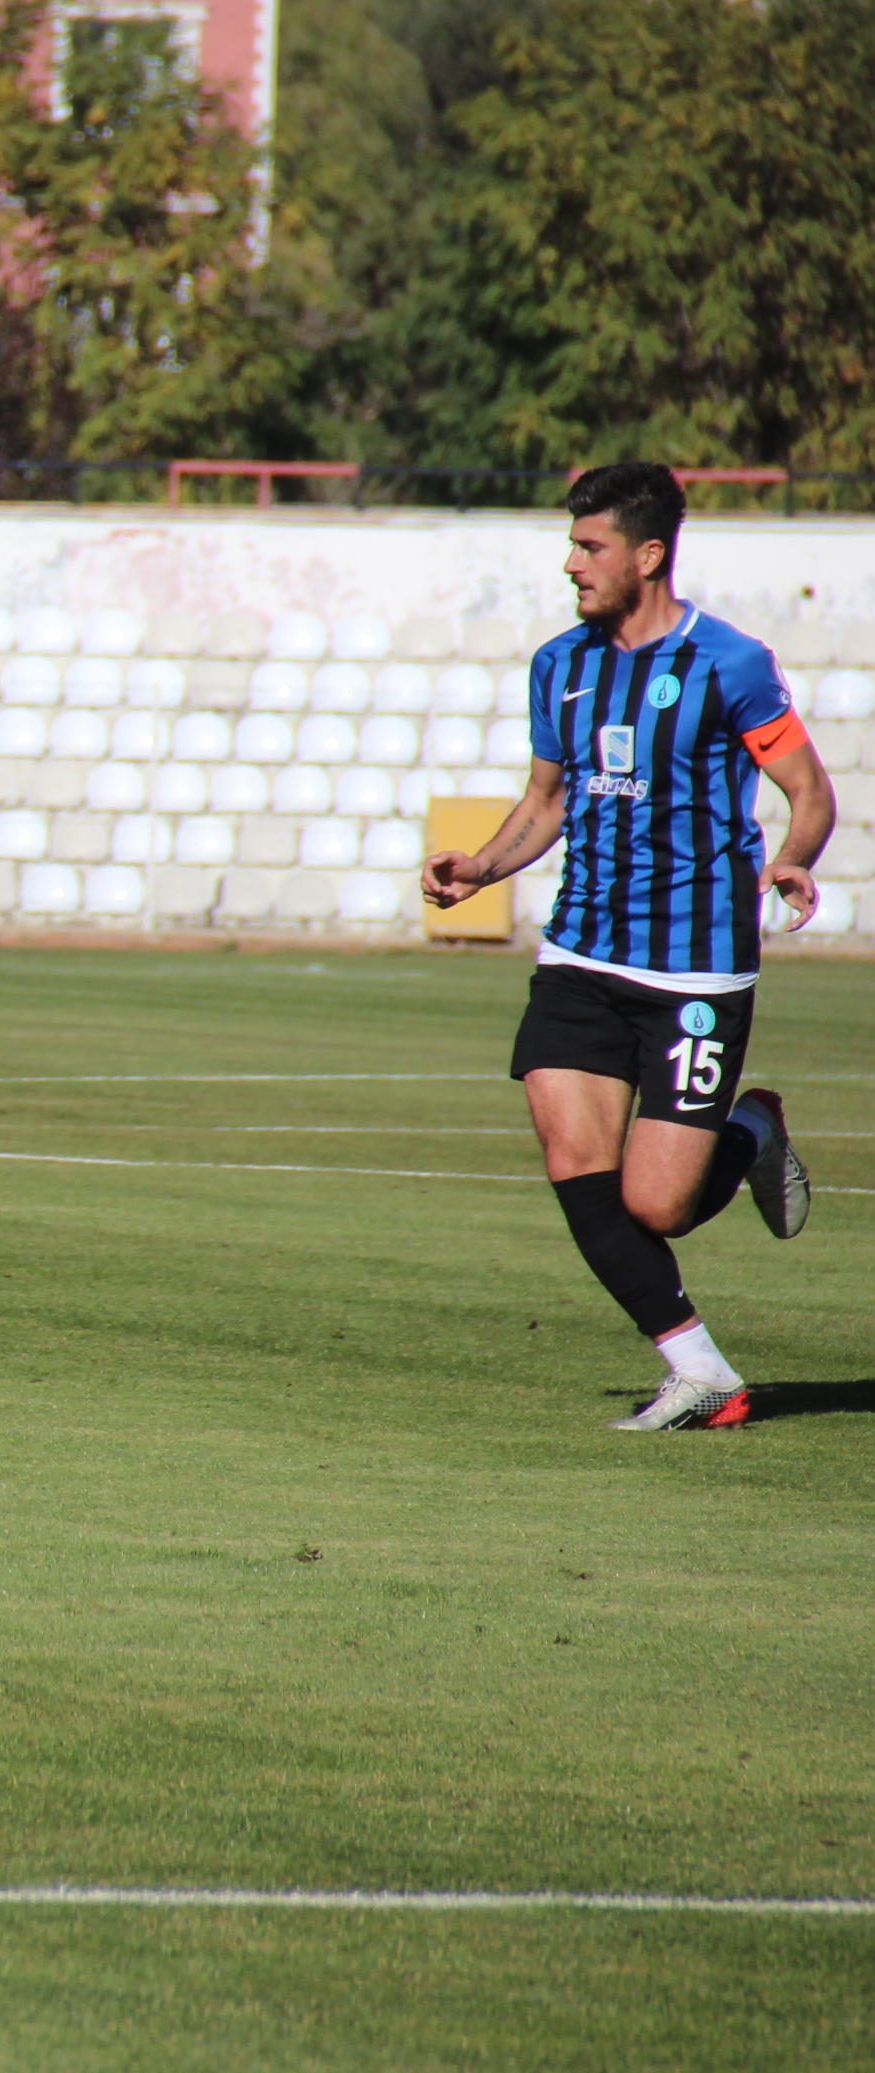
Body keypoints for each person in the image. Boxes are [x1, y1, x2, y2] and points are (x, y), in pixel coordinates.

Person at [422, 462, 834, 1432]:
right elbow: (548, 801)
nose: (572, 565)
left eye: (590, 546)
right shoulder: (560, 664)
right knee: (575, 1162)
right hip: (581, 953)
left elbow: (807, 793)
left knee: (658, 1206)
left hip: (694, 965)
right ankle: (700, 1372)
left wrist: (791, 860)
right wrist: (483, 868)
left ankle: (750, 1133)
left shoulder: (728, 663)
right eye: (572, 545)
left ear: (648, 555)